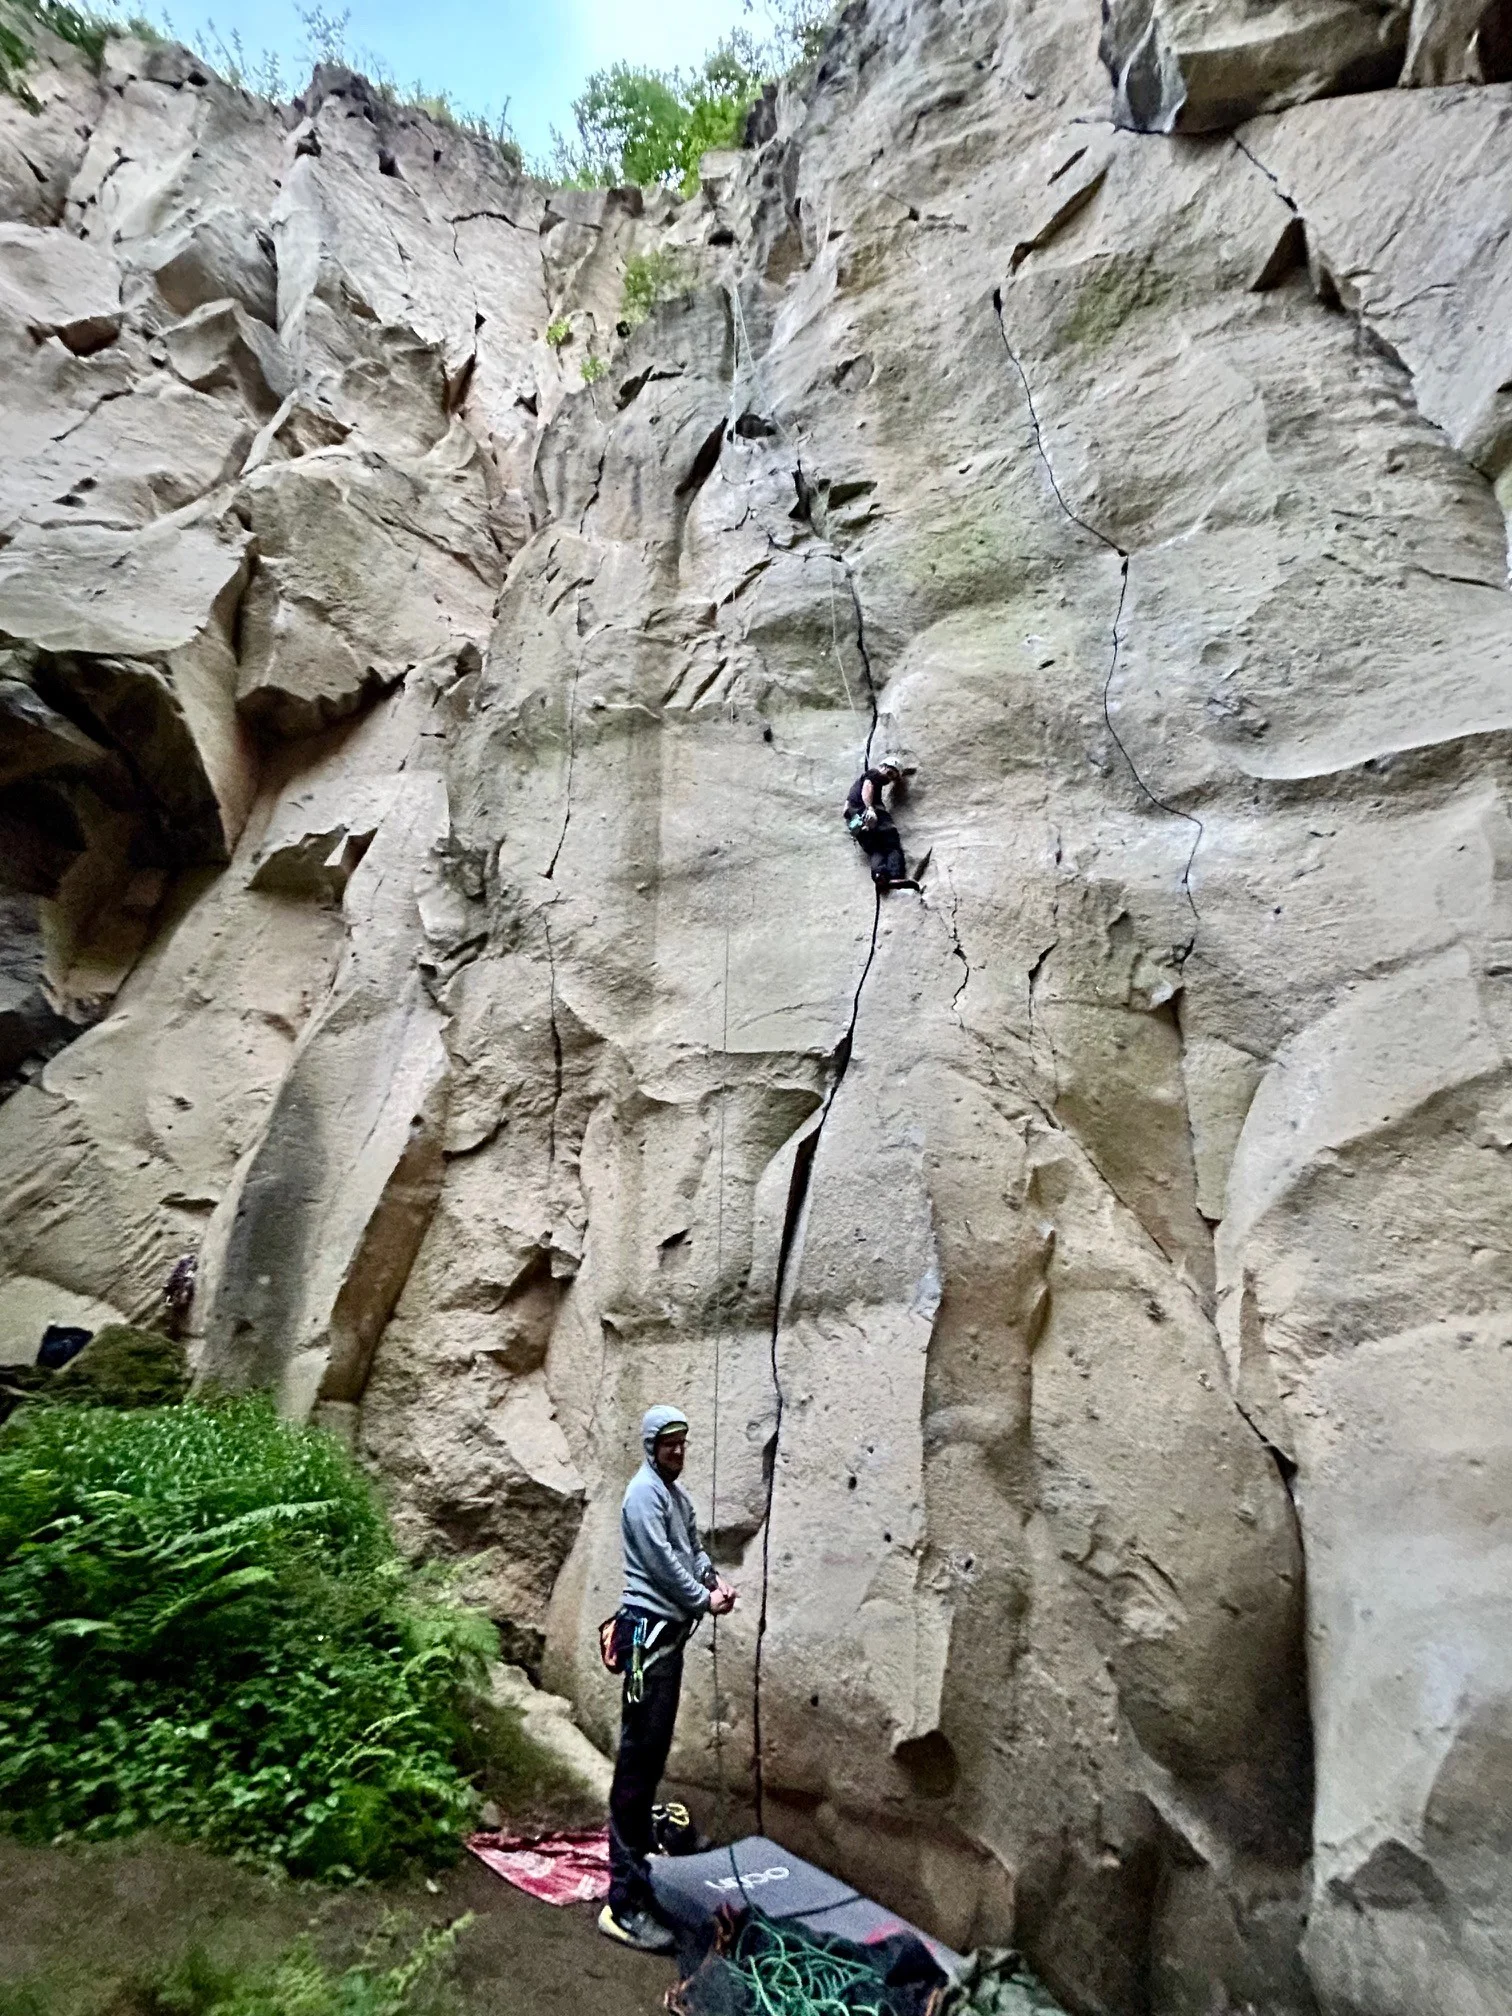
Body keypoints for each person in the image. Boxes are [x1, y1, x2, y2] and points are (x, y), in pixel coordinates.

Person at [598, 1404, 737, 1953]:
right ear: (650, 1446)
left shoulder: (675, 1498)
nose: (676, 1453)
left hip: (666, 1641)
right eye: (668, 1444)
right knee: (637, 1763)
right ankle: (623, 1902)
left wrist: (716, 1580)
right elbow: (662, 1564)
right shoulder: (642, 1496)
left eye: (682, 1443)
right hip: (646, 1642)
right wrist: (704, 1598)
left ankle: (636, 1876)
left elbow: (692, 1553)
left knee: (650, 1758)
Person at [844, 763, 913, 890]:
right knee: (892, 846)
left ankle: (880, 876)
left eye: (892, 777)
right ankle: (896, 876)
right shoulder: (874, 774)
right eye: (890, 773)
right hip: (874, 816)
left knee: (875, 850)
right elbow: (868, 786)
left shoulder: (855, 787)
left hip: (857, 823)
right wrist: (870, 809)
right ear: (884, 767)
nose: (889, 779)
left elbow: (846, 809)